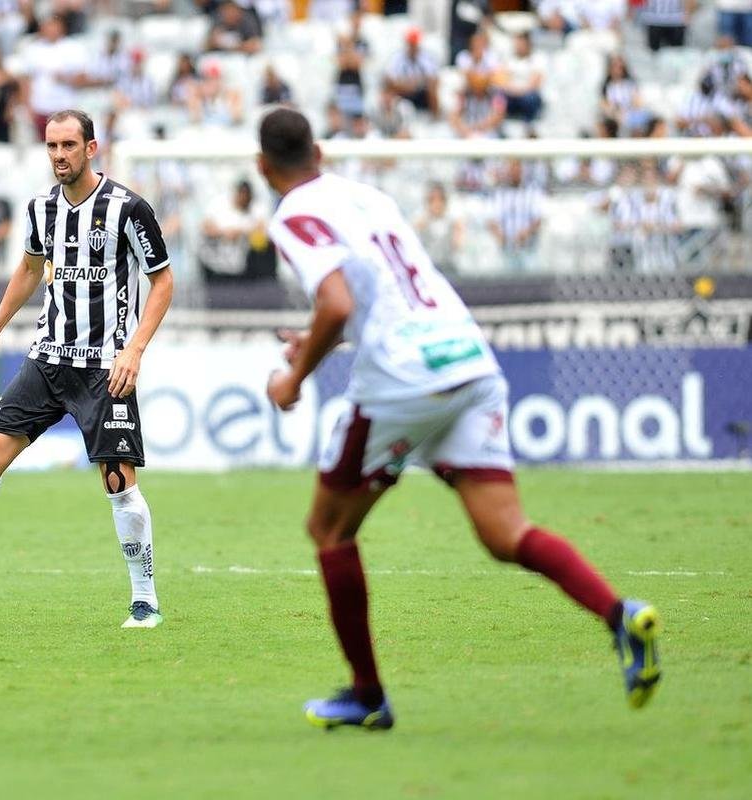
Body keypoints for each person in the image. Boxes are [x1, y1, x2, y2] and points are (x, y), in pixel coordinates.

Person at [256, 107, 661, 730]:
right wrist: (316, 339)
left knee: (328, 529)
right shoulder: (367, 196)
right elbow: (377, 298)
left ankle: (367, 697)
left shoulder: (291, 215)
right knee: (506, 533)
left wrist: (293, 377)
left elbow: (336, 303)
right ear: (320, 153)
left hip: (402, 381)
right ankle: (620, 615)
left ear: (263, 167)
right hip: (467, 360)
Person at [0, 110, 175, 629]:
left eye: (69, 145)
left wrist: (134, 350)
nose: (59, 155)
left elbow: (162, 281)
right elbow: (30, 269)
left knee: (118, 481)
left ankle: (145, 599)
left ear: (91, 148)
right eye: (52, 146)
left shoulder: (128, 209)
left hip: (105, 366)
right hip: (48, 358)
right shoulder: (40, 210)